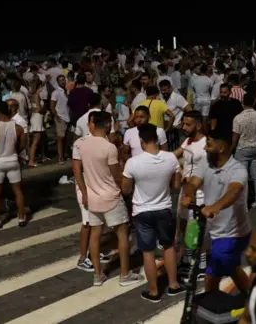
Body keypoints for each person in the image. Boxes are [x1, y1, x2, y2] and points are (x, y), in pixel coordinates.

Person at [72, 111, 143, 287]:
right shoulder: (109, 147)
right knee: (122, 233)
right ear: (109, 125)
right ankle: (124, 275)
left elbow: (78, 173)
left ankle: (98, 275)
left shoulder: (81, 144)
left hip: (92, 197)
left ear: (92, 124)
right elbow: (116, 175)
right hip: (111, 196)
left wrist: (84, 192)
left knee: (95, 235)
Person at [180, 127, 252, 295]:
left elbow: (233, 192)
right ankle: (251, 297)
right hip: (215, 230)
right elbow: (193, 183)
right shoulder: (205, 163)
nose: (205, 148)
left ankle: (209, 307)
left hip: (232, 234)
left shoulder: (237, 170)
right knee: (232, 268)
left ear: (221, 149)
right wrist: (189, 195)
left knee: (211, 277)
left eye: (209, 145)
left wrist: (215, 207)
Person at [121, 123, 185, 302]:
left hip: (142, 212)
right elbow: (176, 185)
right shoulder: (171, 158)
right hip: (163, 208)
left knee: (147, 252)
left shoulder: (133, 162)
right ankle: (174, 285)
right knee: (168, 246)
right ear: (157, 139)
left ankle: (154, 291)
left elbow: (125, 189)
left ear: (141, 142)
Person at [173, 110, 208, 280]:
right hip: (185, 192)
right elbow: (174, 156)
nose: (184, 127)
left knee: (196, 230)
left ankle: (201, 266)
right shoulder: (187, 142)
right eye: (183, 123)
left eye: (188, 124)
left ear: (199, 125)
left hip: (199, 195)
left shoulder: (206, 145)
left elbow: (208, 171)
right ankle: (187, 261)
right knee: (185, 228)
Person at [0, 101, 28, 228]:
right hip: (12, 160)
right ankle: (22, 217)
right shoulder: (18, 128)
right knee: (18, 191)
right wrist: (16, 152)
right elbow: (23, 144)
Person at [232, 93, 256, 209]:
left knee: (243, 178)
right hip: (255, 148)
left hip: (242, 149)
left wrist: (231, 150)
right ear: (254, 103)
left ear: (242, 103)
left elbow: (235, 137)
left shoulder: (238, 118)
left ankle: (244, 204)